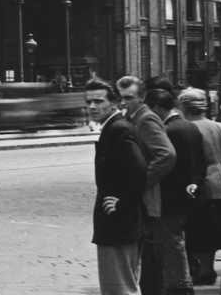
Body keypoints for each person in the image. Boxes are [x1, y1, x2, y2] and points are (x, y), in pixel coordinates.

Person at [87, 77, 148, 295]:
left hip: (118, 223)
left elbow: (139, 169)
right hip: (121, 223)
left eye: (98, 101)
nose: (92, 106)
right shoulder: (114, 127)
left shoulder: (117, 129)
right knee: (126, 284)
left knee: (119, 288)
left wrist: (122, 205)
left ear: (113, 102)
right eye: (88, 102)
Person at [118, 76, 176, 295]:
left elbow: (166, 155)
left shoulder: (146, 119)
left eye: (129, 98)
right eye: (120, 97)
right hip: (138, 197)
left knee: (147, 256)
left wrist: (140, 182)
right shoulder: (132, 117)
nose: (123, 102)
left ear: (142, 97)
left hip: (144, 197)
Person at [145, 86, 199, 295]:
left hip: (167, 198)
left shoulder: (167, 131)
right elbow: (200, 162)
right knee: (177, 242)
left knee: (170, 245)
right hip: (185, 195)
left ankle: (179, 285)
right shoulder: (190, 126)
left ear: (157, 108)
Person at [177, 89, 221, 286]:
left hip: (199, 185)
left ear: (184, 106)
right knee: (214, 230)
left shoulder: (186, 128)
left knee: (198, 230)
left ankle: (201, 270)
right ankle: (208, 269)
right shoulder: (218, 126)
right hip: (219, 182)